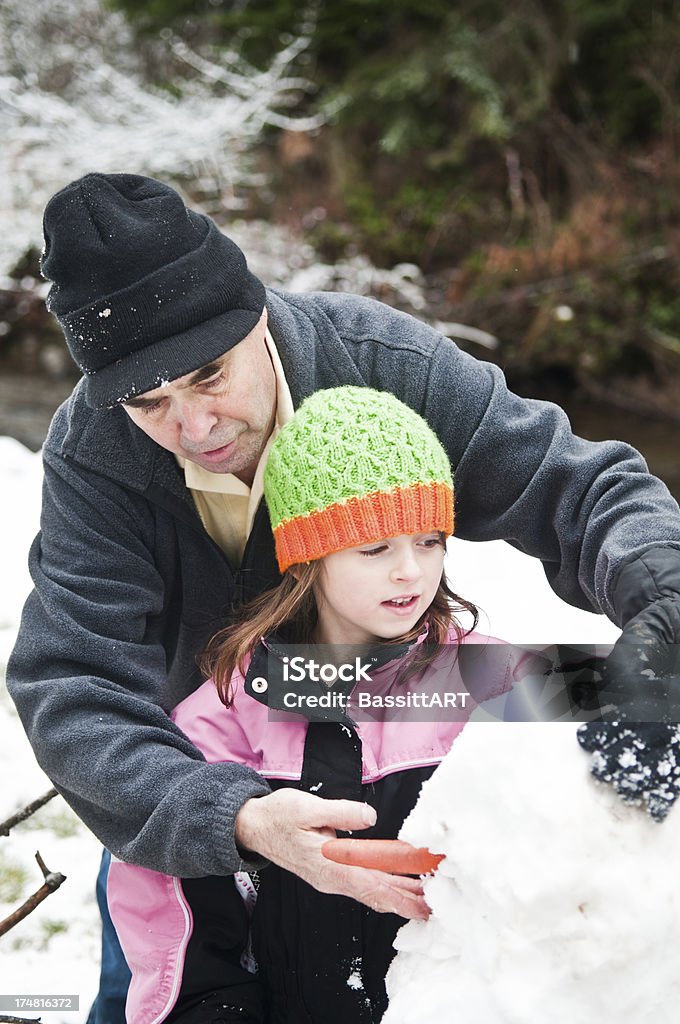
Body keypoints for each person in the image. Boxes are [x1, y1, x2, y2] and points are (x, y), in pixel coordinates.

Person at [6, 172, 680, 1020]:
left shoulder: (385, 364)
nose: (195, 427)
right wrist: (233, 819)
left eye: (210, 377)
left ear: (253, 315)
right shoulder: (95, 455)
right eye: (150, 403)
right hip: (203, 785)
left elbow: (587, 493)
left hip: (399, 736)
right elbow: (72, 687)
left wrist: (663, 636)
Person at [106, 385, 528, 1024]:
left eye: (430, 540)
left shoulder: (489, 674)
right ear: (308, 555)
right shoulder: (224, 719)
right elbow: (181, 939)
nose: (412, 572)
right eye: (376, 547)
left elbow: (639, 696)